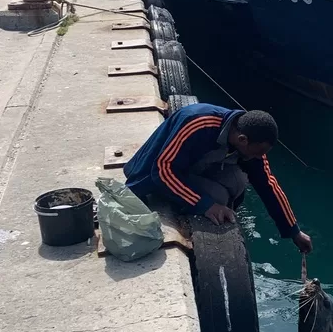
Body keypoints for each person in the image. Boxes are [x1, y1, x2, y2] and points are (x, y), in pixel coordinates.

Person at [123, 103, 312, 253]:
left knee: (237, 181)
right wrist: (205, 205)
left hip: (193, 168)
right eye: (258, 152)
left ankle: (209, 207)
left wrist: (293, 231)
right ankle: (188, 211)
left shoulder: (247, 139)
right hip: (153, 175)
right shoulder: (197, 124)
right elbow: (162, 170)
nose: (259, 157)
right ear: (242, 140)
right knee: (217, 197)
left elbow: (268, 185)